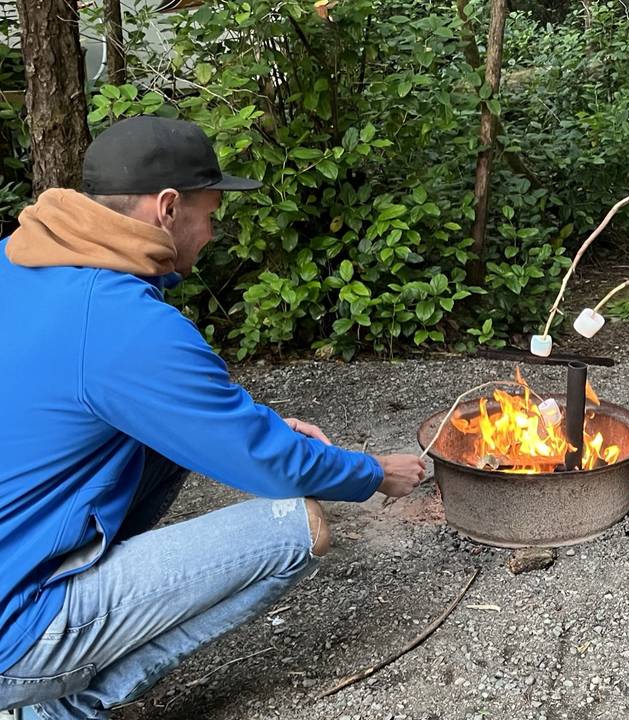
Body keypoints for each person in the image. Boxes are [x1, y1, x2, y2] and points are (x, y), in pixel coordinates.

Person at [0, 116, 427, 718]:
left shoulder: (20, 264)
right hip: (14, 628)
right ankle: (59, 707)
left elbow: (183, 410)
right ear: (168, 208)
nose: (213, 235)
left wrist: (259, 429)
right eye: (211, 216)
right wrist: (372, 472)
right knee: (298, 526)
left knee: (166, 445)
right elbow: (268, 464)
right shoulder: (117, 319)